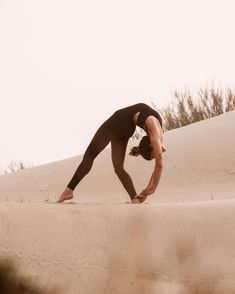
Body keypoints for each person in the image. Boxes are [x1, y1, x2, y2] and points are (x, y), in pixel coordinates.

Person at [58, 103, 166, 204]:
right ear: (152, 145)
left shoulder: (158, 137)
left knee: (90, 156)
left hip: (119, 122)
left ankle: (69, 190)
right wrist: (152, 189)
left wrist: (148, 191)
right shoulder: (154, 131)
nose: (157, 152)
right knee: (119, 168)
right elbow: (159, 164)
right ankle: (134, 198)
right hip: (126, 127)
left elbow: (157, 166)